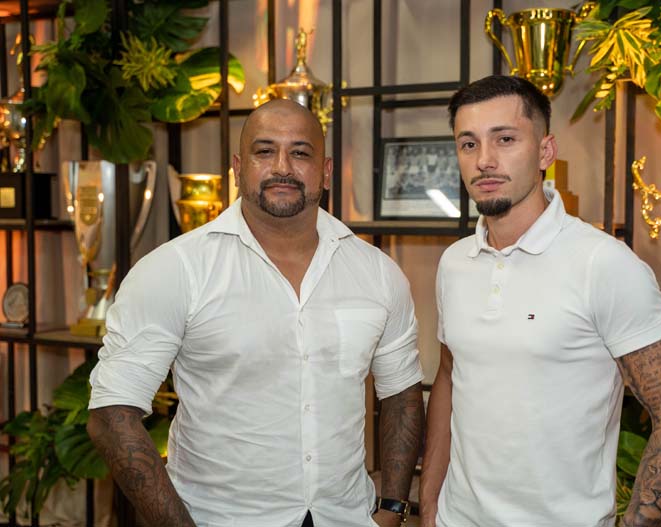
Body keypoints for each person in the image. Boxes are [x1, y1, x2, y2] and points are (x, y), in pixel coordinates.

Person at [87, 99, 424, 527]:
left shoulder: (376, 272)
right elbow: (111, 415)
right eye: (264, 151)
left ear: (325, 170)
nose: (282, 167)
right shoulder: (176, 269)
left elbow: (402, 394)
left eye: (300, 152)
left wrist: (392, 507)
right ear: (237, 167)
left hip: (346, 516)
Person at [419, 75, 661, 527]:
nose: (484, 160)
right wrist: (429, 502)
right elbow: (450, 377)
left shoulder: (604, 264)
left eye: (505, 139)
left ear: (545, 151)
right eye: (468, 144)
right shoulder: (455, 263)